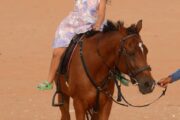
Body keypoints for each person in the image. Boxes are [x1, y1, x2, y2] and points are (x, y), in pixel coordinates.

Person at [37, 0, 108, 90]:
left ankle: (117, 74)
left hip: (91, 25)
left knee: (109, 45)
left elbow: (101, 14)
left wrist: (97, 25)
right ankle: (49, 81)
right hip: (72, 24)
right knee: (57, 53)